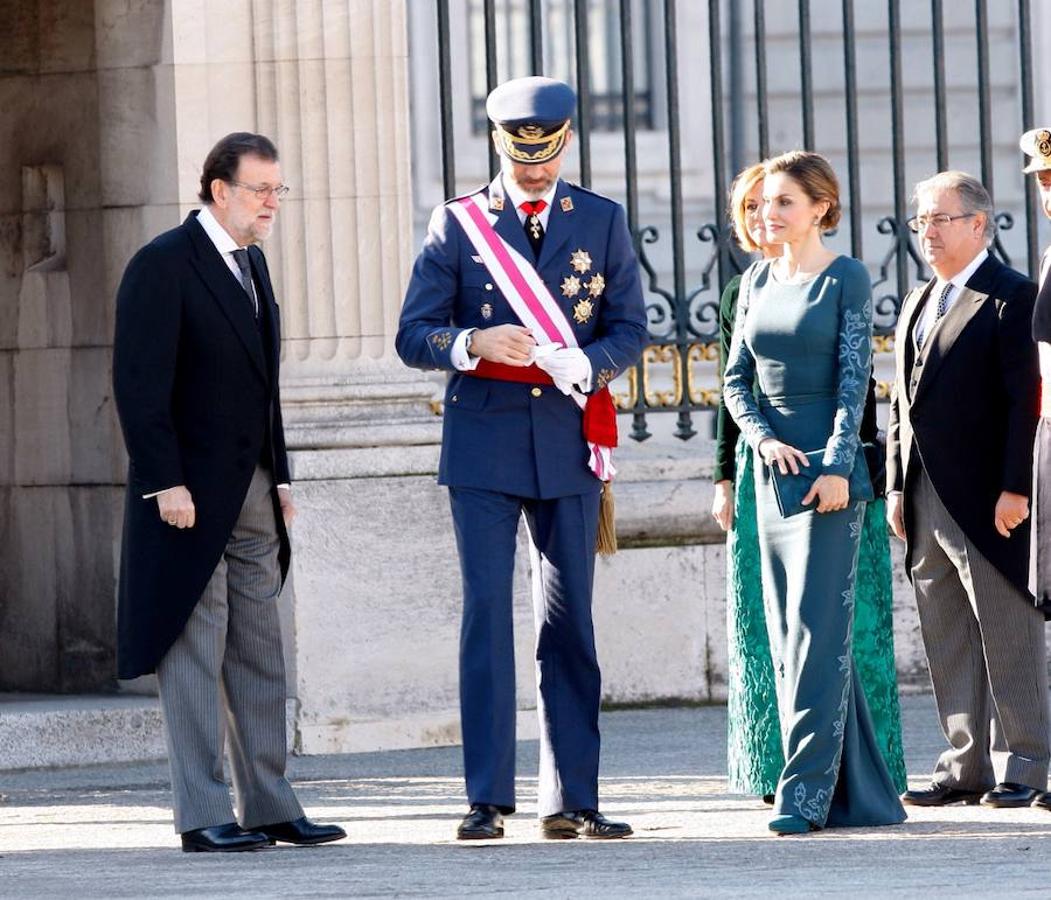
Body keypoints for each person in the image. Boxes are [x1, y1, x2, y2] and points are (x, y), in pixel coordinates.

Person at [396, 77, 648, 841]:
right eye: (519, 154)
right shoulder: (459, 224)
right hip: (482, 443)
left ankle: (574, 797)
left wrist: (589, 364)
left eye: (545, 154)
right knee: (485, 619)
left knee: (568, 624)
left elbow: (630, 326)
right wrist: (470, 345)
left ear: (565, 140)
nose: (533, 169)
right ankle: (486, 798)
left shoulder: (600, 220)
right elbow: (414, 335)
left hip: (568, 442)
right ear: (499, 145)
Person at [113, 133, 346, 852]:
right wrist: (164, 483)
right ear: (219, 190)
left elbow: (259, 390)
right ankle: (200, 812)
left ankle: (270, 803)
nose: (273, 202)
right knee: (194, 649)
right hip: (186, 495)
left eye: (279, 190)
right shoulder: (162, 265)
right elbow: (138, 387)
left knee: (260, 650)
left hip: (250, 490)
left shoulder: (252, 263)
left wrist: (278, 479)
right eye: (260, 190)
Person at [722, 150, 906, 834]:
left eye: (783, 204)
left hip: (828, 481)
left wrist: (834, 467)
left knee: (817, 633)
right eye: (762, 204)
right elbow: (735, 379)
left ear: (820, 208)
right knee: (785, 638)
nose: (768, 215)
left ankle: (800, 796)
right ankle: (854, 790)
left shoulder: (846, 278)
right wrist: (761, 440)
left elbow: (853, 379)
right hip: (770, 474)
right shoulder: (753, 282)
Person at [887, 170, 1048, 810]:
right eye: (920, 220)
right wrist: (897, 489)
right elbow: (902, 406)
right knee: (946, 634)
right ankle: (965, 766)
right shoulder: (917, 301)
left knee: (1008, 633)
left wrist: (1016, 487)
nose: (927, 231)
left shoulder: (1012, 296)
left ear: (978, 225)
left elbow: (1024, 403)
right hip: (925, 499)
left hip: (989, 500)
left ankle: (1029, 765)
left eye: (940, 218)